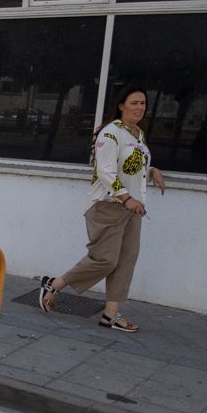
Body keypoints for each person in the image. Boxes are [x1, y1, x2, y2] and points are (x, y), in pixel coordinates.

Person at [38, 87, 167, 333]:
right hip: (109, 206)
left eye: (143, 103)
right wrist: (127, 198)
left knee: (126, 261)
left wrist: (153, 171)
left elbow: (131, 168)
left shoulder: (137, 134)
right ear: (121, 105)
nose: (140, 107)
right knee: (105, 259)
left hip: (133, 208)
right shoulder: (111, 134)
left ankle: (111, 314)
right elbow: (105, 172)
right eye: (134, 102)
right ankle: (54, 284)